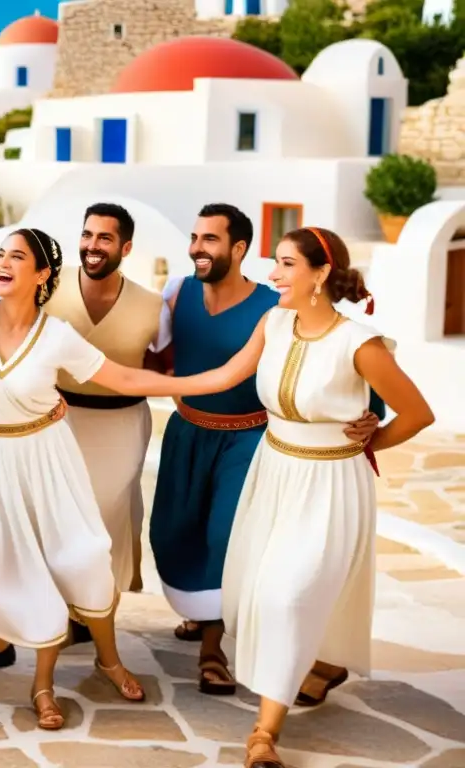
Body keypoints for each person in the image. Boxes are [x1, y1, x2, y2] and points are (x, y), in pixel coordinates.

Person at [87, 226, 433, 768]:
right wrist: (128, 381)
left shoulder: (359, 344)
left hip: (330, 484)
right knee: (263, 589)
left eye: (287, 265)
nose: (273, 275)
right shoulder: (274, 323)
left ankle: (263, 735)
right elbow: (224, 375)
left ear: (320, 273)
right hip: (272, 472)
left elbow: (418, 414)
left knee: (288, 596)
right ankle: (323, 662)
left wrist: (369, 444)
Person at [150, 204, 380, 699]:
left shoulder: (273, 308)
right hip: (187, 432)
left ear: (238, 249)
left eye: (210, 239)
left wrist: (372, 415)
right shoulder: (177, 293)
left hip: (249, 439)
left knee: (224, 537)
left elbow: (338, 361)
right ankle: (206, 612)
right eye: (194, 237)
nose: (196, 248)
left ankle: (214, 648)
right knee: (171, 534)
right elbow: (156, 353)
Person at [0, 203, 171, 674]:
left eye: (105, 238)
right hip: (48, 423)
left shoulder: (152, 304)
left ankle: (79, 620)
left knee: (91, 533)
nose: (92, 245)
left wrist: (210, 385)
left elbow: (157, 369)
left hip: (117, 425)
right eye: (87, 234)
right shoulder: (44, 285)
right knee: (4, 531)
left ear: (126, 247)